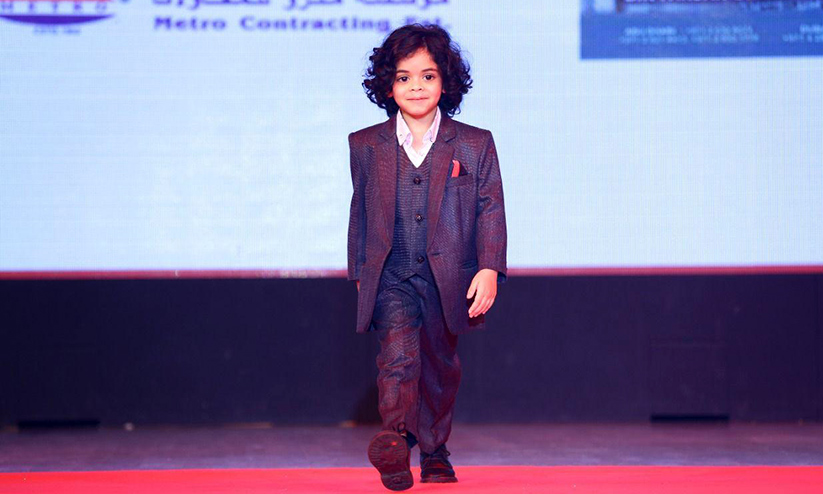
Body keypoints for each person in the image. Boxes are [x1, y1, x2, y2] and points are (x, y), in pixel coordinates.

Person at [347, 23, 507, 491]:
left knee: (439, 366)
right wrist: (360, 272)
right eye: (404, 77)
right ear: (387, 85)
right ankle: (396, 442)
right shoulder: (365, 144)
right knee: (397, 358)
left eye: (428, 75)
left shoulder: (474, 143)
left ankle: (435, 450)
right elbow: (360, 210)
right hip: (391, 273)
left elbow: (490, 207)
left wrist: (489, 267)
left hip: (448, 275)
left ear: (445, 82)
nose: (416, 86)